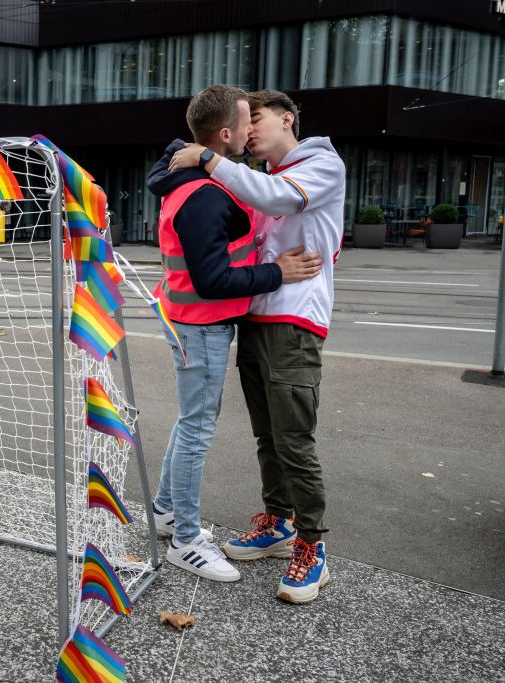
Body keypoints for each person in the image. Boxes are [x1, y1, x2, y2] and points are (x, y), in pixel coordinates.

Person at [169, 89, 346, 604]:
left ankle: (312, 546)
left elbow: (275, 200)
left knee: (294, 439)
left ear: (287, 118)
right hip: (257, 317)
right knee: (268, 436)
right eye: (243, 124)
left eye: (258, 120)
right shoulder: (263, 177)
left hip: (294, 323)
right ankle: (279, 521)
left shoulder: (320, 165)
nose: (248, 132)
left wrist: (207, 156)